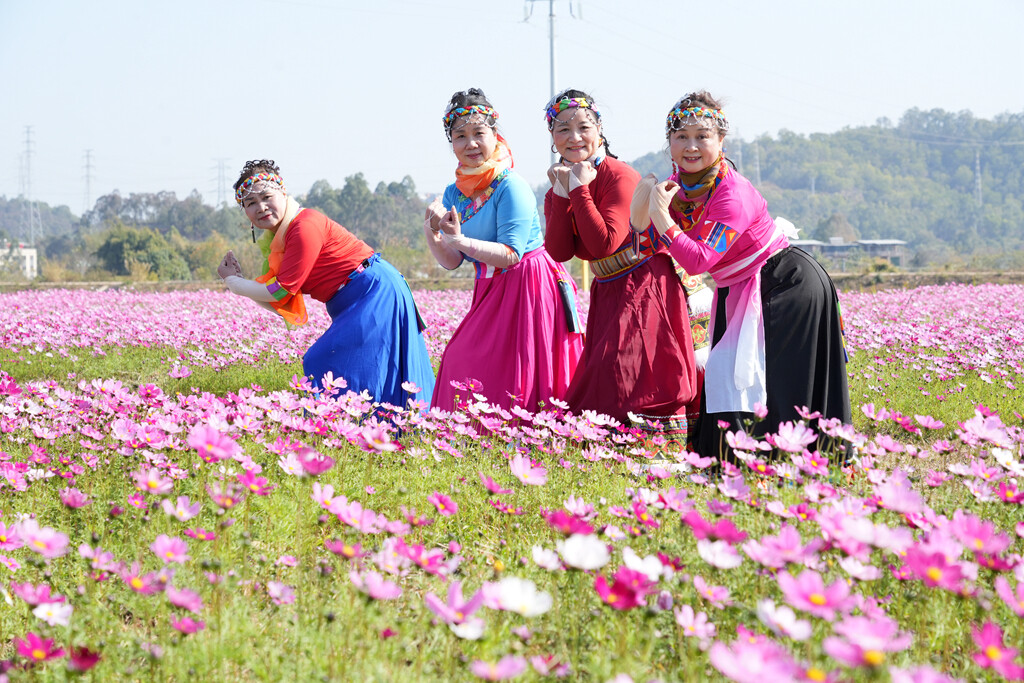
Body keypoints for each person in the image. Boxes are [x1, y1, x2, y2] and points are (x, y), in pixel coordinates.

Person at [634, 91, 850, 458]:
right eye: (681, 136)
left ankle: (794, 463)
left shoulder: (731, 193)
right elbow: (649, 242)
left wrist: (662, 218)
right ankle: (734, 461)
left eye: (702, 136)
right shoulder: (679, 190)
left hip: (784, 284)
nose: (691, 146)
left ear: (721, 140)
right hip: (739, 287)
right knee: (730, 376)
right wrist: (644, 204)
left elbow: (698, 260)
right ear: (669, 143)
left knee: (776, 382)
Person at [542, 89, 701, 440]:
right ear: (552, 137)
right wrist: (561, 193)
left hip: (642, 284)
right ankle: (605, 452)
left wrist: (579, 191)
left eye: (583, 127)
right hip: (608, 288)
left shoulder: (619, 175)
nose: (574, 137)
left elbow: (605, 242)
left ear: (599, 129)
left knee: (634, 377)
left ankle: (648, 452)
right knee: (607, 376)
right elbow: (559, 250)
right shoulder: (563, 180)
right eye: (563, 129)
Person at [218, 159, 435, 408]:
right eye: (250, 203)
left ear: (283, 193)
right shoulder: (279, 238)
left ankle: (350, 423)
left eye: (267, 197)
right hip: (354, 297)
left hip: (373, 291)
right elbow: (280, 298)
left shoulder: (304, 226)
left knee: (324, 361)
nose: (261, 207)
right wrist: (238, 283)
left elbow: (280, 291)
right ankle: (379, 424)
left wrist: (234, 283)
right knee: (371, 368)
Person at [425, 89, 584, 413]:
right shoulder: (454, 192)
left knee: (519, 373)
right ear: (451, 142)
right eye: (460, 136)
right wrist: (432, 231)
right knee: (459, 358)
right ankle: (472, 435)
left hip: (527, 284)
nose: (471, 143)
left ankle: (525, 436)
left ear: (494, 134)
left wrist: (458, 240)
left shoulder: (511, 185)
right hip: (489, 286)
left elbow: (511, 253)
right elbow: (453, 261)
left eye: (478, 133)